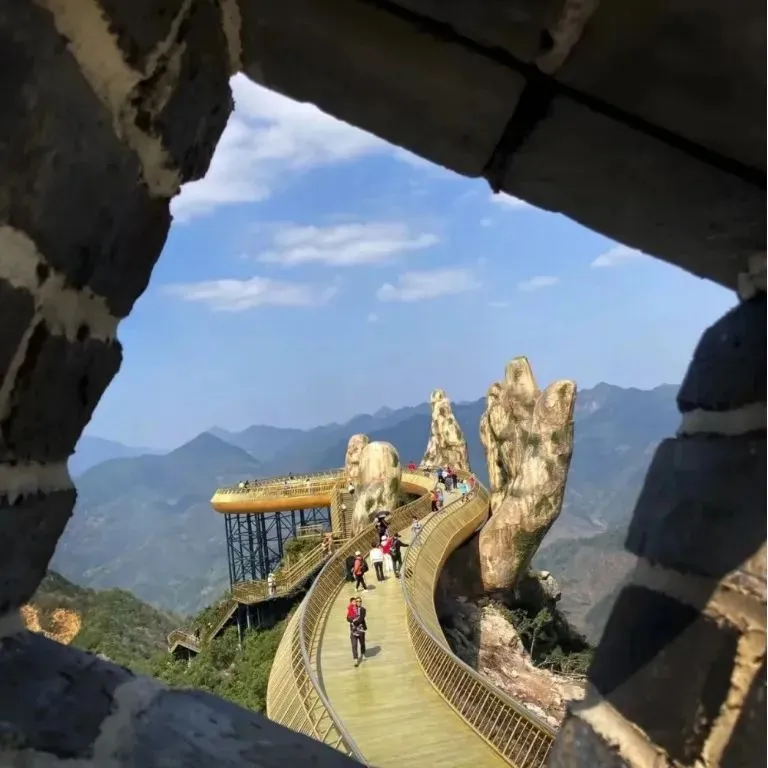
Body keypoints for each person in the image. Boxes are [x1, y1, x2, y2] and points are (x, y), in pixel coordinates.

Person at [347, 596, 367, 667]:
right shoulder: (351, 609)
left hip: (361, 630)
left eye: (360, 601)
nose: (358, 602)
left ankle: (363, 653)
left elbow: (361, 619)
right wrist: (351, 619)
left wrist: (354, 621)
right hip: (353, 630)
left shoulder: (363, 609)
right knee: (354, 645)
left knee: (362, 643)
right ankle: (355, 659)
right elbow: (348, 618)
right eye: (357, 601)